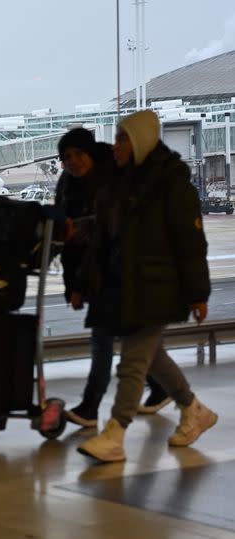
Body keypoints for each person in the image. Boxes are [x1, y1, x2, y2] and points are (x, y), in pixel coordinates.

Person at [77, 109, 217, 463]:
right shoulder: (123, 183)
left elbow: (191, 242)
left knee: (133, 362)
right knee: (150, 356)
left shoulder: (171, 184)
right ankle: (193, 408)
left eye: (123, 138)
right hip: (126, 286)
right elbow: (105, 239)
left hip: (158, 286)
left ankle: (115, 432)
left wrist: (198, 293)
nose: (116, 145)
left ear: (140, 141)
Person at [55, 129, 170, 428]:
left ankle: (91, 407)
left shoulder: (114, 180)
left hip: (117, 272)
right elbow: (67, 241)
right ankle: (163, 388)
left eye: (79, 154)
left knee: (104, 340)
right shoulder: (67, 185)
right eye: (67, 157)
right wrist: (74, 286)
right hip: (90, 273)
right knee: (136, 339)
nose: (73, 162)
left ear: (91, 152)